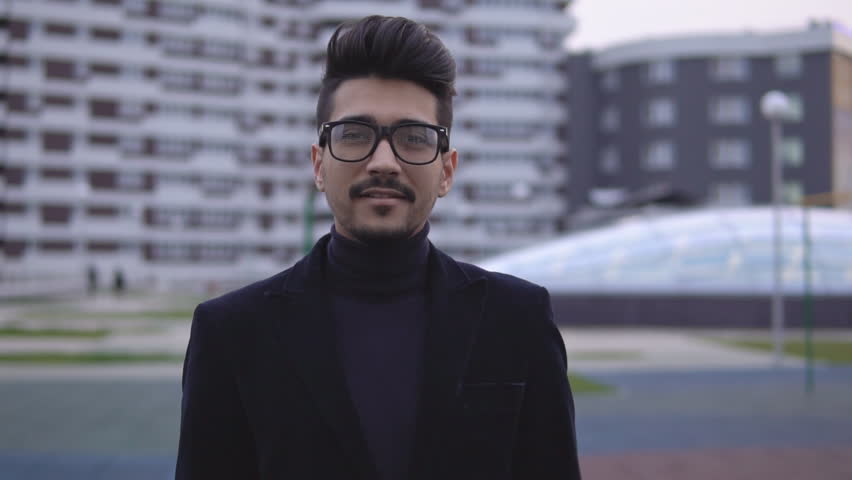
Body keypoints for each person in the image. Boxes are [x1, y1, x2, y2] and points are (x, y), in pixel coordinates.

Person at [175, 15, 581, 480]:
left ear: (446, 170)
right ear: (319, 164)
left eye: (413, 138)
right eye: (355, 135)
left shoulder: (519, 319)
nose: (383, 162)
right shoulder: (231, 332)